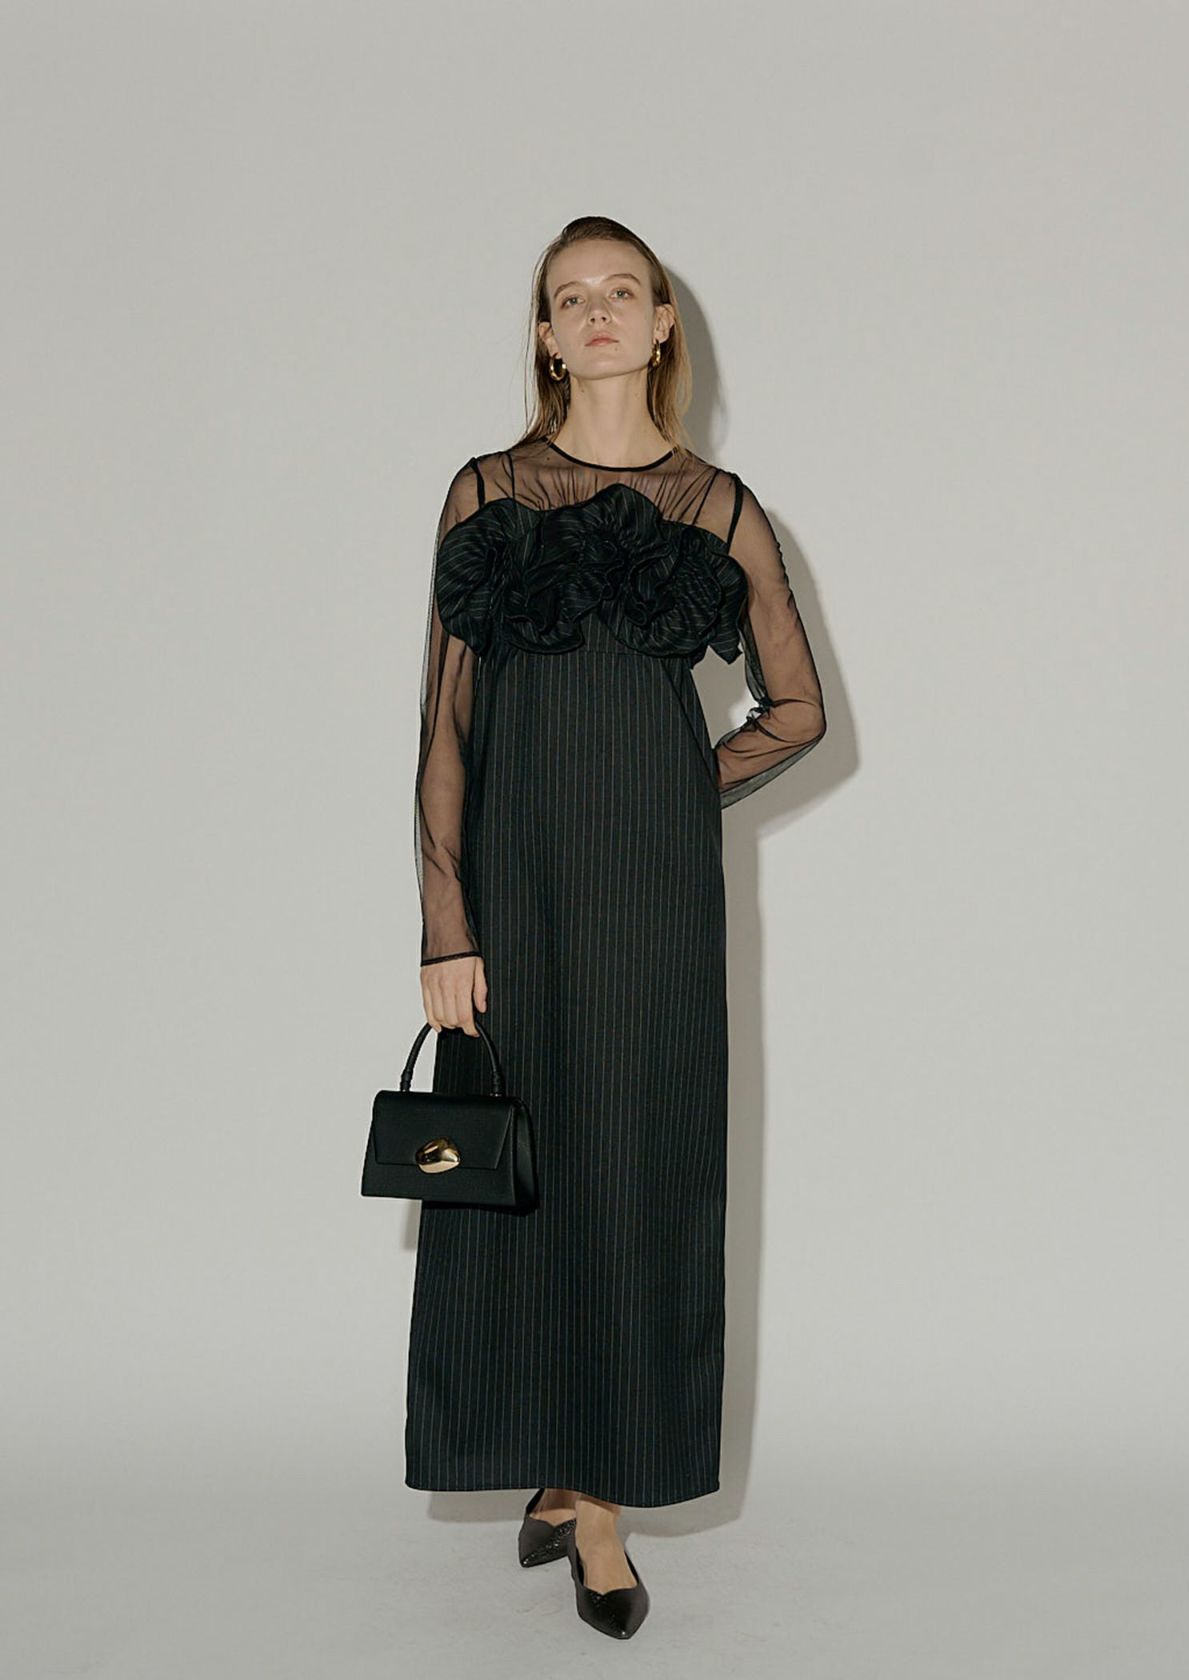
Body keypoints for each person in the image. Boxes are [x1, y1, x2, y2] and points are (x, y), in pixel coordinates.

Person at [407, 215, 827, 1640]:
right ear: (544, 335)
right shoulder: (485, 492)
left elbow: (799, 710)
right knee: (522, 1181)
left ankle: (597, 1504)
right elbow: (445, 724)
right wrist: (446, 920)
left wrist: (672, 789)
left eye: (620, 292)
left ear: (659, 325)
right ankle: (546, 1456)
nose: (594, 312)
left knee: (638, 1175)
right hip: (515, 896)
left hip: (654, 901)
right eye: (567, 296)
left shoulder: (719, 508)